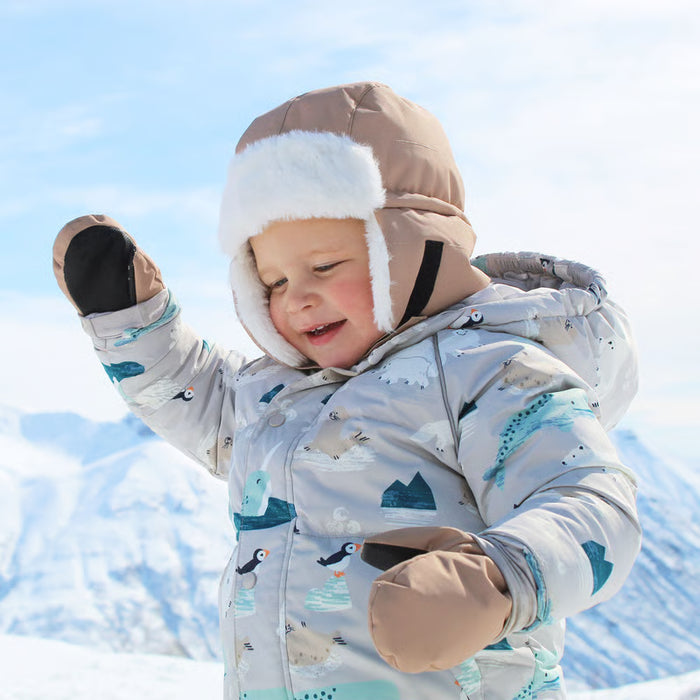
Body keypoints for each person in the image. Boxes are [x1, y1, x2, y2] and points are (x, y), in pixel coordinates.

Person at [53, 81, 641, 700]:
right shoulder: (278, 397)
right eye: (273, 280)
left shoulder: (489, 369)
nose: (297, 296)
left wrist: (499, 578)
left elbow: (593, 502)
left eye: (325, 266)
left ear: (412, 248)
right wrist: (128, 320)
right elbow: (198, 398)